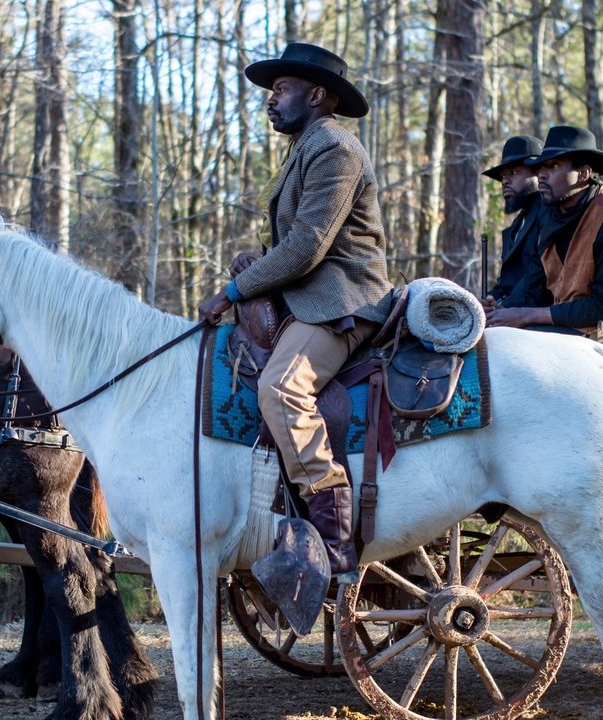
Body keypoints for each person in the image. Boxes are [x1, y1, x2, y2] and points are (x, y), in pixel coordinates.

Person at [197, 42, 393, 579]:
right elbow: (294, 243)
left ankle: (332, 538)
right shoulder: (305, 146)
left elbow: (308, 245)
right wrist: (255, 265)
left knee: (282, 388)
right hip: (308, 295)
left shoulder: (335, 146)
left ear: (318, 94)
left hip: (341, 301)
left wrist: (234, 292)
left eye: (281, 90)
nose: (271, 100)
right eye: (271, 91)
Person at [486, 125, 603, 334]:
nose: (542, 175)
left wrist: (528, 315)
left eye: (553, 166)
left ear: (583, 173)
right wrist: (499, 310)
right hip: (568, 325)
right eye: (541, 168)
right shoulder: (550, 215)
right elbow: (535, 285)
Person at [481, 135, 544, 309]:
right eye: (502, 177)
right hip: (512, 315)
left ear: (539, 174)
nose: (505, 181)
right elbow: (509, 281)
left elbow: (539, 279)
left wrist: (505, 307)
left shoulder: (550, 216)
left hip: (538, 320)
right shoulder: (517, 225)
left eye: (514, 173)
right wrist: (491, 299)